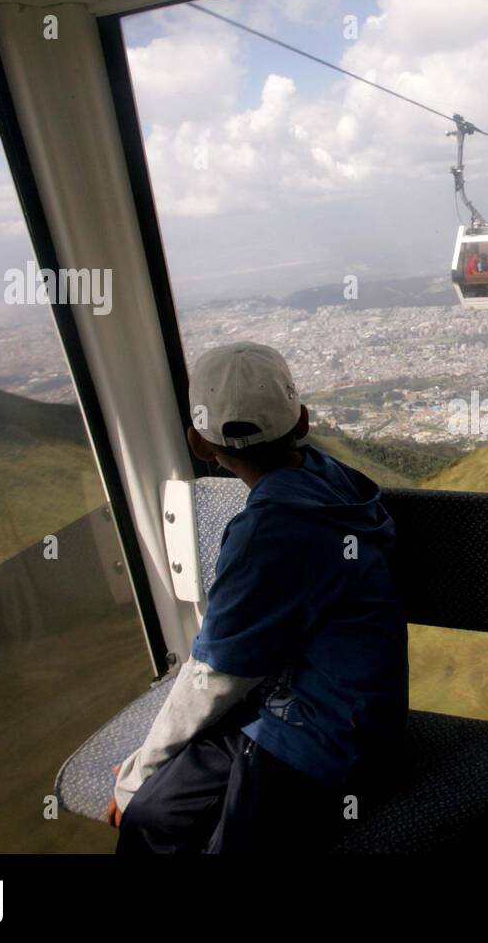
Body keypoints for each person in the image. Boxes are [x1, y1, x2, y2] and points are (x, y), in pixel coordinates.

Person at [108, 341, 408, 853]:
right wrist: (144, 781)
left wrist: (138, 773)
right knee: (149, 818)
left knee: (162, 821)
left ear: (199, 444)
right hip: (297, 709)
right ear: (303, 423)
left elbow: (217, 675)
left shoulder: (270, 533)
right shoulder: (332, 483)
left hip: (322, 737)